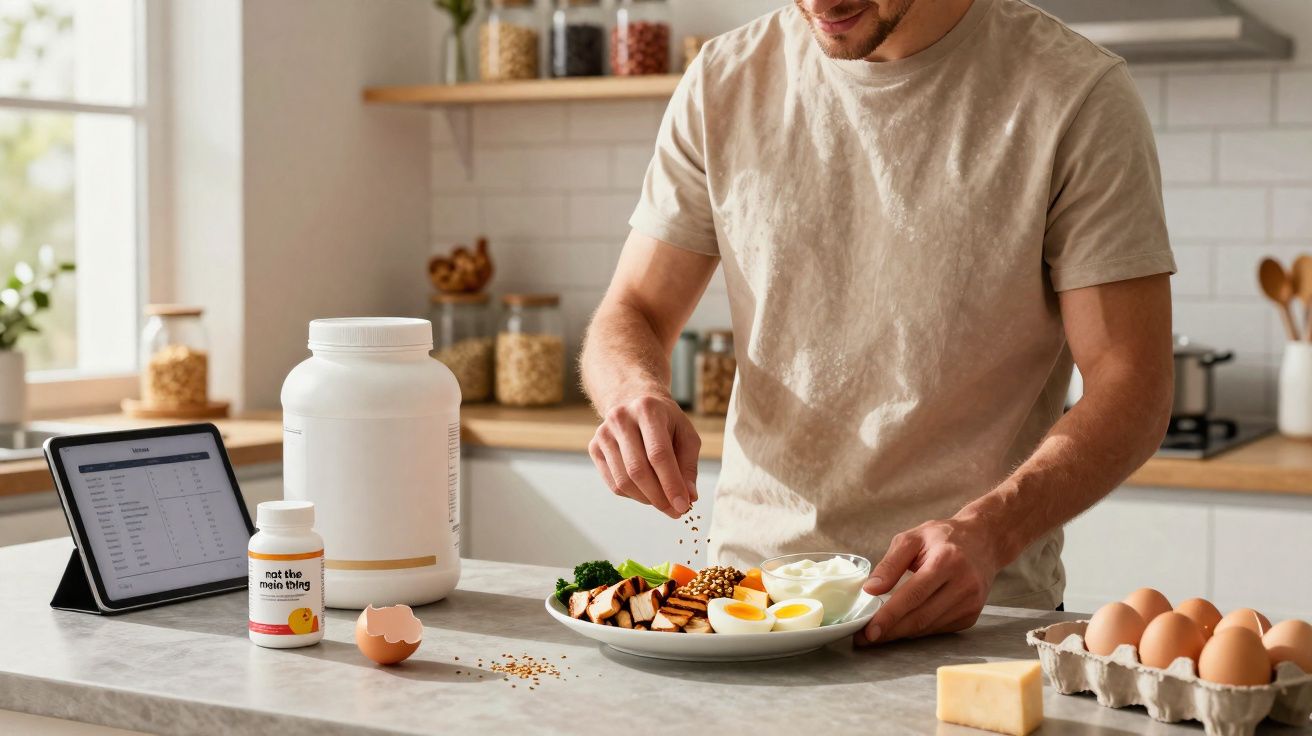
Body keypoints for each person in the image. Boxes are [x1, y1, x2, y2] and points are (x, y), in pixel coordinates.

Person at [579, 0, 1176, 646]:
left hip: (969, 614)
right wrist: (633, 392)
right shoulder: (723, 81)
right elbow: (631, 310)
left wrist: (989, 532)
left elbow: (1132, 383)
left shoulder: (1074, 94)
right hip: (749, 608)